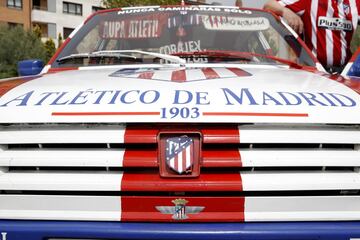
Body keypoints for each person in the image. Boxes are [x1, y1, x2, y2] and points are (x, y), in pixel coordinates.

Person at [264, 0, 360, 73]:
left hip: (344, 73)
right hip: (313, 71)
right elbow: (268, 6)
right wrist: (285, 11)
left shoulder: (355, 3)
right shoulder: (310, 1)